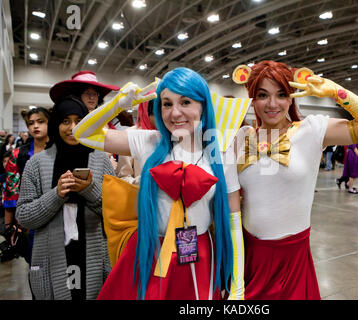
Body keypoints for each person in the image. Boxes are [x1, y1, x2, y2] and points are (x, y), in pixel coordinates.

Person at [72, 67, 244, 300]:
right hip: (150, 253)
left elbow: (233, 221)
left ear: (203, 105)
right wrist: (117, 105)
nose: (175, 113)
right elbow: (83, 134)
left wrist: (237, 286)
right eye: (166, 104)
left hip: (200, 255)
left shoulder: (221, 153)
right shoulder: (149, 141)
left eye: (185, 102)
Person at [231, 61, 358, 299]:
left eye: (282, 95)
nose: (272, 104)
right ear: (252, 98)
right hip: (250, 256)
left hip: (293, 259)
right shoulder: (240, 137)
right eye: (262, 95)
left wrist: (335, 91)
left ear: (292, 98)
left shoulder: (312, 129)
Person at [16, 97, 114, 300]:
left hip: (94, 257)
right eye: (65, 121)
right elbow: (24, 216)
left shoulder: (100, 159)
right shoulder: (37, 163)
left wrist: (90, 190)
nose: (73, 127)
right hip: (52, 258)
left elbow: (115, 212)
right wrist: (56, 195)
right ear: (56, 124)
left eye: (79, 120)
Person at [2, 107, 50, 264]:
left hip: (56, 215)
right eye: (31, 123)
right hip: (28, 219)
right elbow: (11, 189)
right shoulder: (18, 155)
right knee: (34, 264)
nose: (36, 126)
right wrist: (10, 225)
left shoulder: (60, 152)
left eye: (40, 122)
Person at [116, 100, 157, 185]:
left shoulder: (172, 134)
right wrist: (144, 180)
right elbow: (123, 177)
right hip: (141, 194)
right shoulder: (129, 135)